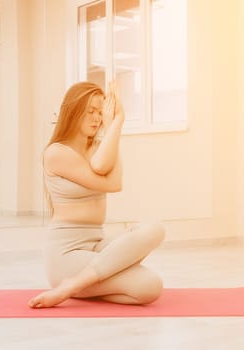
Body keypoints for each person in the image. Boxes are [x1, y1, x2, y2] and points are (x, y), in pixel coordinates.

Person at [28, 81, 165, 308]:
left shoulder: (99, 146)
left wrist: (116, 125)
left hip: (96, 245)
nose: (97, 118)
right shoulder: (56, 153)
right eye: (90, 111)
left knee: (155, 234)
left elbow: (111, 175)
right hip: (67, 253)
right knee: (149, 285)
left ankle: (82, 285)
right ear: (73, 113)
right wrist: (113, 130)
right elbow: (108, 178)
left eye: (100, 112)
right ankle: (69, 285)